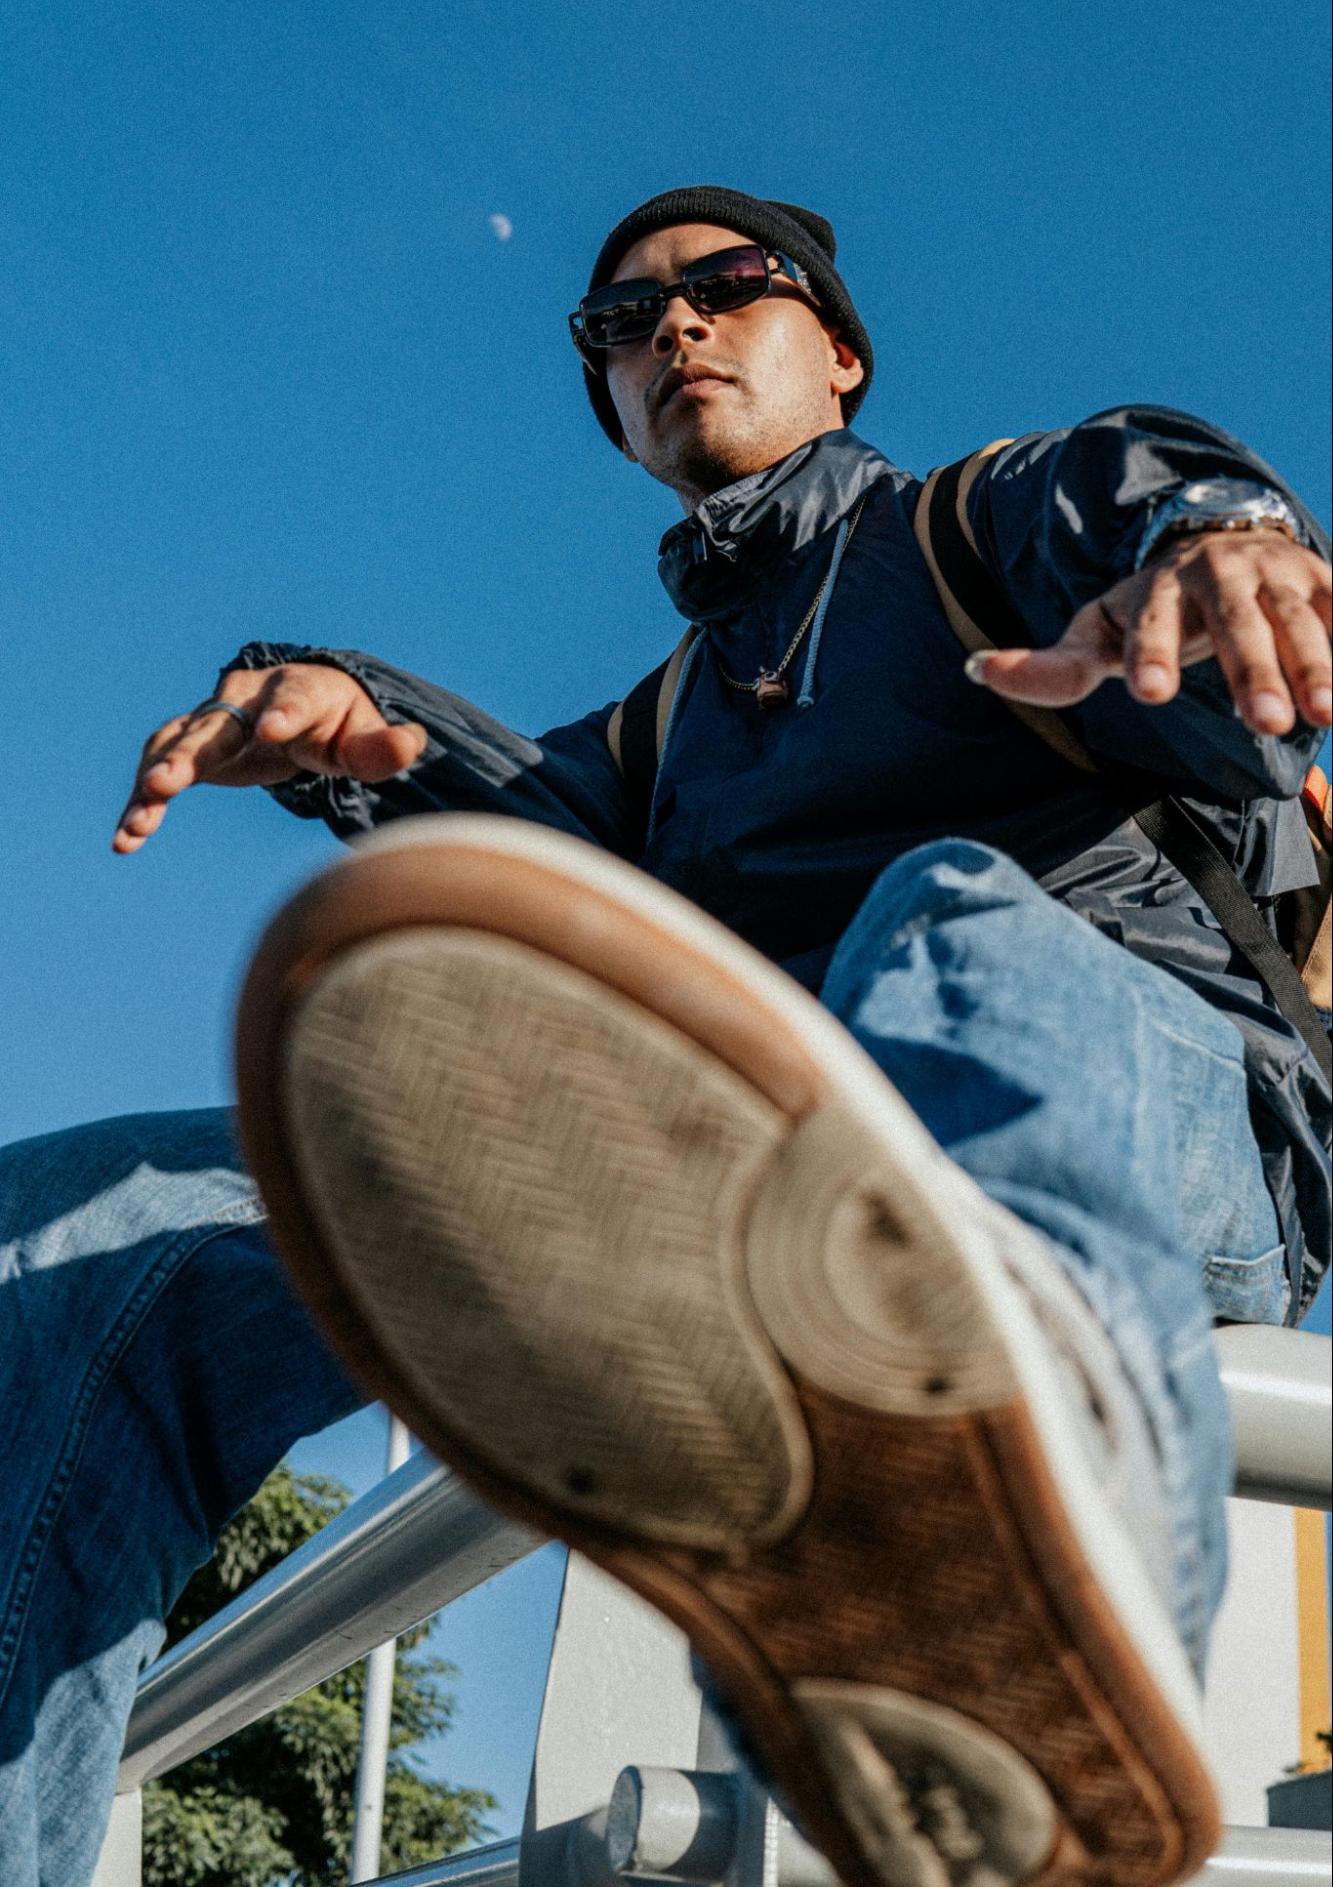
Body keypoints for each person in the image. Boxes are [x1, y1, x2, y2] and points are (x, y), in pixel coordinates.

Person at [2, 186, 1328, 1887]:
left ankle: (1011, 1586)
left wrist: (1218, 546)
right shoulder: (656, 743)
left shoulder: (965, 528)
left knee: (943, 921)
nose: (673, 331)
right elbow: (516, 841)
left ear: (836, 350)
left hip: (1158, 1106)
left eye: (727, 290)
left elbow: (1124, 488)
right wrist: (346, 725)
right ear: (617, 410)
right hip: (771, 1169)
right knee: (92, 1230)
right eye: (621, 327)